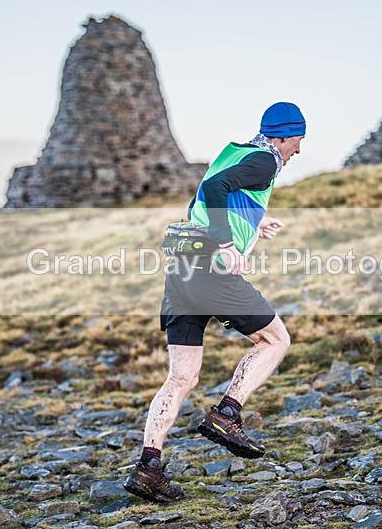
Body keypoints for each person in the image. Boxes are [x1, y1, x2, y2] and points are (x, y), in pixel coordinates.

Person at [124, 102, 305, 503]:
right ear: (284, 136)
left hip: (181, 275)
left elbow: (203, 203)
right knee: (276, 341)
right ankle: (227, 414)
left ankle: (148, 468)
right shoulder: (264, 161)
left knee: (181, 377)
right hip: (210, 272)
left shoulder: (236, 152)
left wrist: (255, 222)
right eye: (298, 141)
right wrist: (225, 244)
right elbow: (214, 189)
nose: (298, 151)